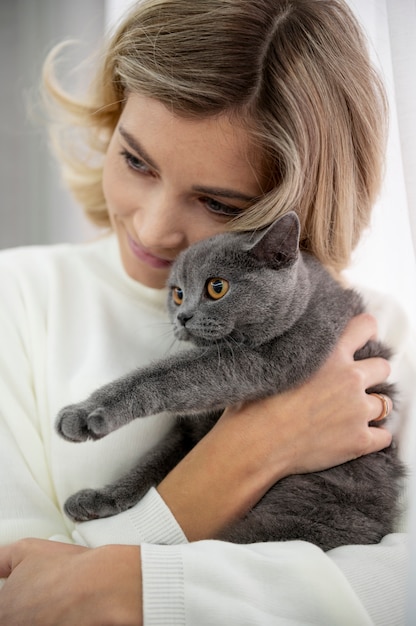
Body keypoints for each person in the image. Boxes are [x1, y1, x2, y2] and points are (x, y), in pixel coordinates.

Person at [0, 0, 414, 624]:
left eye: (219, 204)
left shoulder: (382, 335)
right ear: (112, 120)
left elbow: (402, 592)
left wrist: (133, 588)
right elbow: (20, 597)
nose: (155, 228)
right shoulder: (17, 299)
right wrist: (257, 449)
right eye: (135, 160)